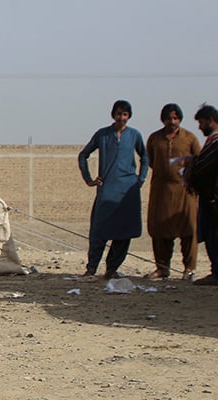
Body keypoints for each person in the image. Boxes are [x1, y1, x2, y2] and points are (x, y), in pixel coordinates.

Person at [78, 100, 148, 279]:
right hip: (107, 189)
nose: (121, 118)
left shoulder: (134, 135)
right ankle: (91, 268)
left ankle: (112, 269)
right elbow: (83, 155)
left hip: (128, 192)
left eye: (125, 114)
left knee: (123, 232)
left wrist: (140, 180)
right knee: (99, 230)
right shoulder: (102, 135)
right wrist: (89, 179)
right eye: (119, 114)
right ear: (113, 115)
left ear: (129, 116)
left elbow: (145, 157)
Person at [144, 103, 201, 280]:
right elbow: (150, 161)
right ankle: (162, 267)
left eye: (175, 118)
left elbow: (199, 161)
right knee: (159, 230)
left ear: (180, 119)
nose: (172, 121)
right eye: (169, 118)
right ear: (163, 119)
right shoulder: (155, 138)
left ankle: (189, 268)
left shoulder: (190, 138)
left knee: (188, 230)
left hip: (185, 191)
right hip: (161, 191)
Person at [186, 104, 218, 286]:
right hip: (211, 194)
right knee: (212, 234)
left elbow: (213, 167)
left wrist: (194, 168)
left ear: (210, 121)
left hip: (216, 195)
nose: (199, 127)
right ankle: (217, 271)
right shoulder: (216, 140)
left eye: (201, 123)